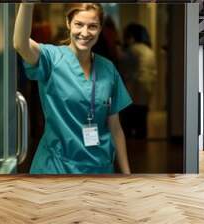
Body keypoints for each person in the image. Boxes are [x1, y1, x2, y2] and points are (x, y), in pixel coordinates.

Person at [13, 3, 132, 174]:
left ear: (100, 29)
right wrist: (27, 5)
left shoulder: (107, 69)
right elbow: (20, 44)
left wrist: (127, 174)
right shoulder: (51, 58)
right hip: (57, 167)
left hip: (100, 168)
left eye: (92, 26)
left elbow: (115, 127)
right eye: (79, 24)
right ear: (68, 24)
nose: (85, 32)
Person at [119, 23, 157, 139]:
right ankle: (142, 144)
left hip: (133, 88)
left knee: (129, 120)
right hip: (147, 87)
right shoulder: (149, 50)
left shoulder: (133, 50)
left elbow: (123, 68)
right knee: (142, 118)